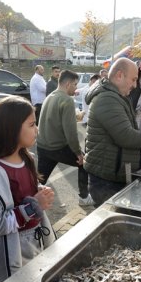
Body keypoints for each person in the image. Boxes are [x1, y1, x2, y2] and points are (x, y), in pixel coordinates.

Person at [0, 96, 56, 282]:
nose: (37, 130)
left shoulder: (28, 159)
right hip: (11, 251)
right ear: (12, 128)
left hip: (34, 241)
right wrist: (33, 206)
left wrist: (40, 193)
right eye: (32, 124)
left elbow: (24, 195)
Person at [84, 58, 141, 205]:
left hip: (113, 173)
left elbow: (127, 131)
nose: (134, 85)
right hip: (106, 178)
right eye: (133, 79)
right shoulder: (107, 99)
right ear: (119, 75)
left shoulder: (116, 96)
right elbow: (125, 136)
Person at [36, 70, 93, 206]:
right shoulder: (67, 100)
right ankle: (84, 198)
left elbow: (54, 119)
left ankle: (29, 202)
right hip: (57, 147)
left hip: (42, 146)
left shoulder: (50, 96)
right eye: (75, 84)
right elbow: (71, 132)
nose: (76, 88)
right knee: (84, 163)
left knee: (40, 179)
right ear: (67, 84)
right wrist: (78, 153)